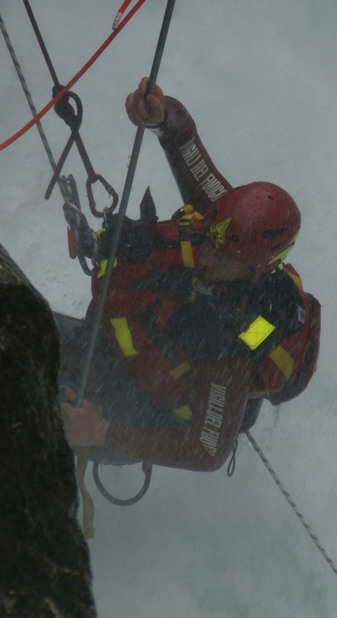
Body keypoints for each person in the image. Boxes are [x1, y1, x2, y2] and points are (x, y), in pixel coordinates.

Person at [59, 78, 320, 472]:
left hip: (143, 411)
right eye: (209, 239)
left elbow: (207, 451)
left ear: (255, 271)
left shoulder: (226, 345)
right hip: (117, 343)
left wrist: (99, 432)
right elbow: (183, 140)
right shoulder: (228, 223)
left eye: (223, 257)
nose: (208, 256)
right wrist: (161, 114)